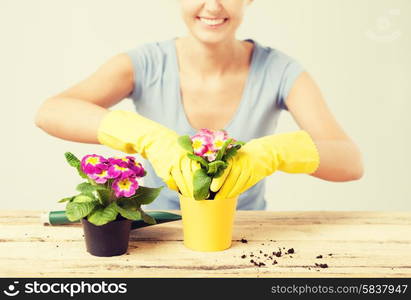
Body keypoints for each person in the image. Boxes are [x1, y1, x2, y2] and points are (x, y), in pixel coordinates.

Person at [34, 0, 363, 210]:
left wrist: (274, 152)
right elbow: (51, 111)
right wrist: (144, 135)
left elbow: (350, 161)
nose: (213, 6)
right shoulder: (144, 64)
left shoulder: (280, 72)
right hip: (160, 234)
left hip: (251, 237)